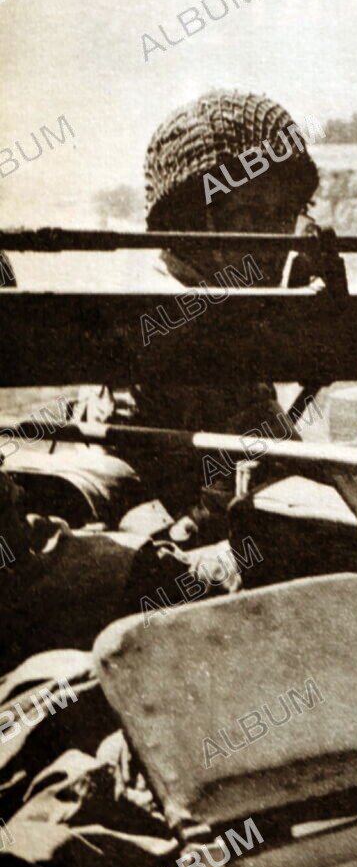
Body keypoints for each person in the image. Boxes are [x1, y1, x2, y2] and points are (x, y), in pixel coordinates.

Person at [76, 90, 323, 542]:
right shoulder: (184, 318)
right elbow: (285, 493)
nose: (276, 237)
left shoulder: (205, 297)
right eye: (251, 213)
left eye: (284, 214)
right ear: (188, 217)